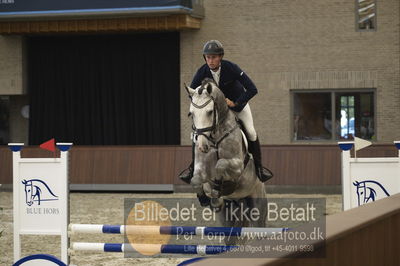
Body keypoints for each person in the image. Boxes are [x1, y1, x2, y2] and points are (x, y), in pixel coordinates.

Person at [180, 40, 272, 184]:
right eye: (208, 57)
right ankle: (192, 168)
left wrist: (235, 103)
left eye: (214, 57)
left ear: (220, 57)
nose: (210, 60)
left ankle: (260, 168)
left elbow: (253, 89)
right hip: (216, 111)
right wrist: (203, 98)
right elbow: (192, 94)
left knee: (251, 131)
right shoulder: (201, 71)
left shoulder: (231, 68)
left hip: (237, 106)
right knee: (198, 134)